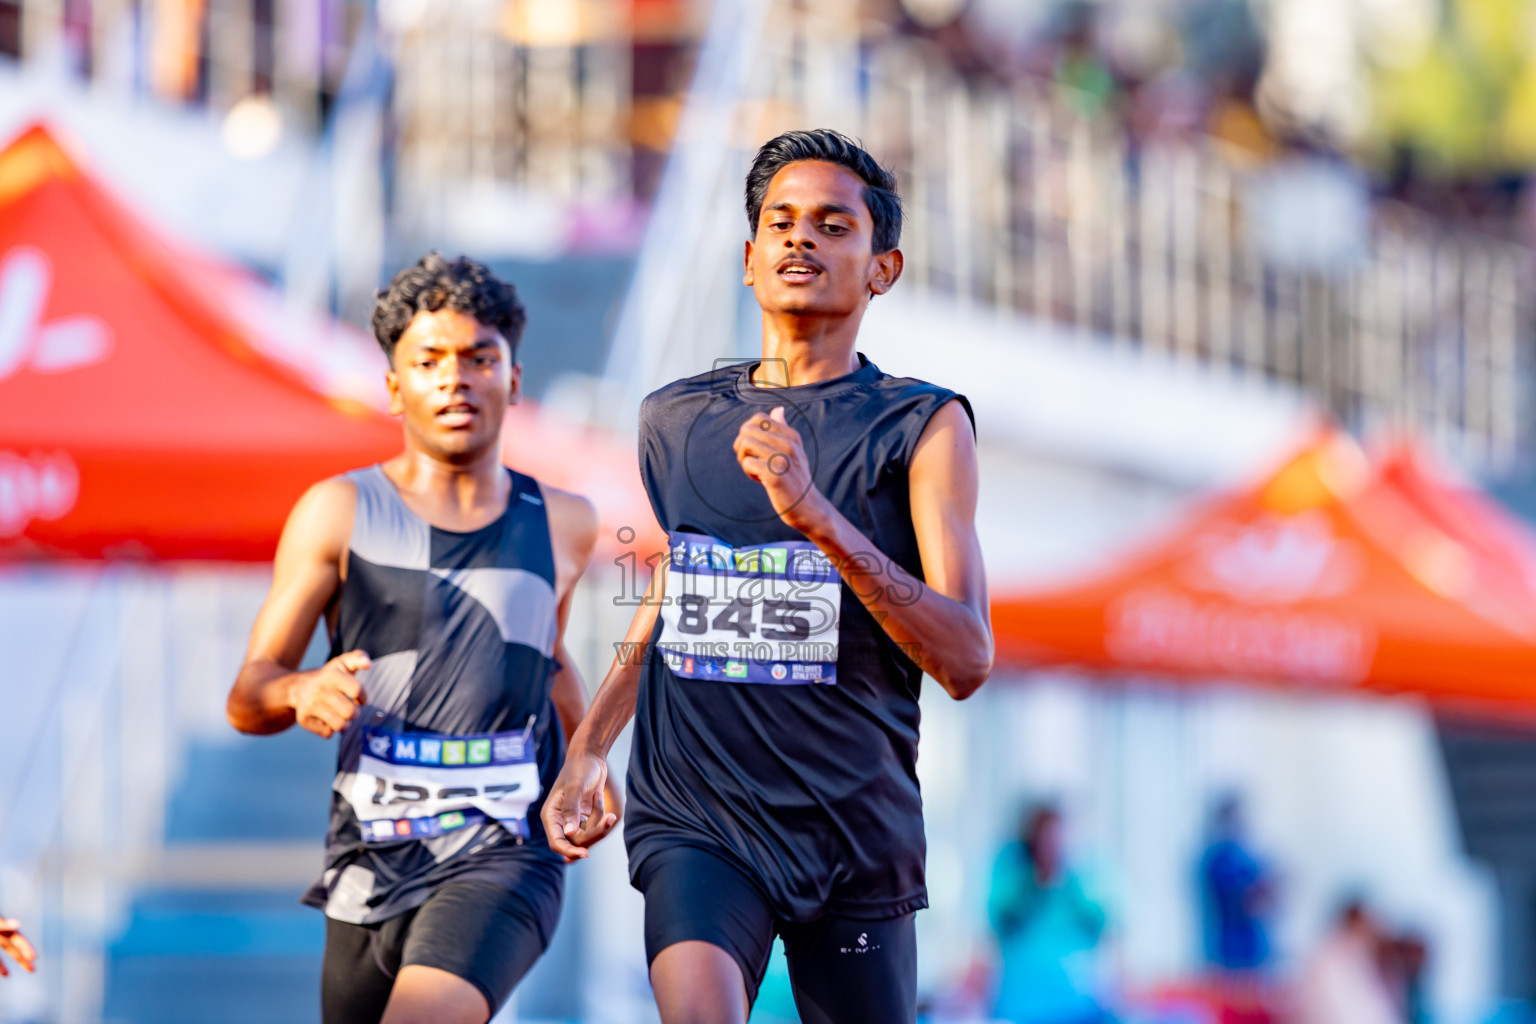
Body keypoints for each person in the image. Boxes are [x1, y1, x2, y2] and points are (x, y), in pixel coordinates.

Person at [541, 128, 994, 1024]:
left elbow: (967, 657)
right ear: (749, 261)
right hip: (697, 815)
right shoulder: (673, 419)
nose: (801, 240)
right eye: (780, 224)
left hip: (851, 830)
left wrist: (816, 517)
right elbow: (680, 587)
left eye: (833, 225)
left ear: (882, 267)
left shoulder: (924, 426)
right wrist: (590, 744)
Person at [225, 253, 605, 1024]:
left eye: (479, 358)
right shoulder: (337, 511)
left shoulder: (566, 522)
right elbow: (248, 693)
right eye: (428, 361)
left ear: (514, 379)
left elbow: (545, 658)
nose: (455, 378)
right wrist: (300, 688)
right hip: (368, 863)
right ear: (395, 388)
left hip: (504, 854)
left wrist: (589, 754)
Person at [988, 804, 1109, 1024]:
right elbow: (1001, 921)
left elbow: (1099, 925)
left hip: (1076, 1003)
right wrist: (1035, 882)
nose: (1052, 847)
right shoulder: (1011, 872)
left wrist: (1069, 881)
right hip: (1022, 1007)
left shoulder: (1078, 879)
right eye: (1046, 839)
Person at [1199, 794, 1275, 974]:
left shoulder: (1246, 855)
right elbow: (1244, 897)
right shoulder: (1220, 859)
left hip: (1252, 949)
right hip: (1230, 952)